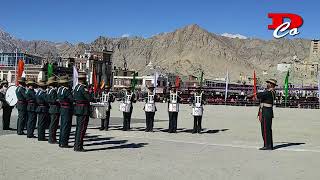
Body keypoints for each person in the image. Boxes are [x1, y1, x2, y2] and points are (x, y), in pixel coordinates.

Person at [248, 79, 277, 150]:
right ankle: (268, 145)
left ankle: (267, 145)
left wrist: (253, 94)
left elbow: (261, 95)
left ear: (271, 85)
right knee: (267, 129)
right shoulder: (271, 92)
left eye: (268, 83)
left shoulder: (269, 92)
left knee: (265, 129)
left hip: (266, 112)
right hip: (267, 111)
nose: (267, 84)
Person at [73, 74, 93, 152]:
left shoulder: (76, 87)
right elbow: (89, 98)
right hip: (83, 109)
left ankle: (76, 145)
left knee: (78, 128)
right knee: (82, 129)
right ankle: (78, 146)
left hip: (78, 109)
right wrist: (90, 92)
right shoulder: (83, 88)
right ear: (84, 80)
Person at [57, 76, 73, 148]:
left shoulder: (59, 89)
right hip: (67, 109)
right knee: (66, 126)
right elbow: (71, 99)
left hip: (62, 108)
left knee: (63, 126)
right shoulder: (66, 90)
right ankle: (64, 143)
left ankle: (61, 142)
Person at [47, 76, 60, 144]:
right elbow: (54, 100)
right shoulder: (53, 91)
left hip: (51, 108)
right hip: (55, 108)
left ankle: (51, 138)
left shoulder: (49, 90)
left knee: (52, 124)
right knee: (54, 124)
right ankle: (52, 139)